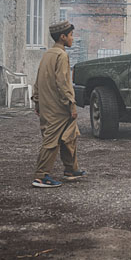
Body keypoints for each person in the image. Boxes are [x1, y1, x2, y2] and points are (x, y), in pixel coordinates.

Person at [31, 21, 85, 188]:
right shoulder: (61, 56)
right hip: (58, 108)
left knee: (69, 136)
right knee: (52, 141)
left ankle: (71, 169)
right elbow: (63, 83)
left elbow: (38, 79)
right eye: (71, 35)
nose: (72, 39)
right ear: (63, 37)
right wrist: (71, 104)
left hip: (48, 105)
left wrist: (37, 101)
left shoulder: (48, 54)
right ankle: (41, 176)